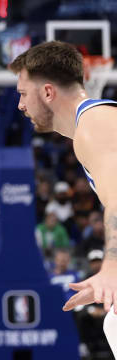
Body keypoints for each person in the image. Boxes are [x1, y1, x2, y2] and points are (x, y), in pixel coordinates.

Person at [9, 40, 117, 356]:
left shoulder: (93, 126)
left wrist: (111, 267)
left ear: (47, 93)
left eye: (23, 93)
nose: (20, 105)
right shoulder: (99, 122)